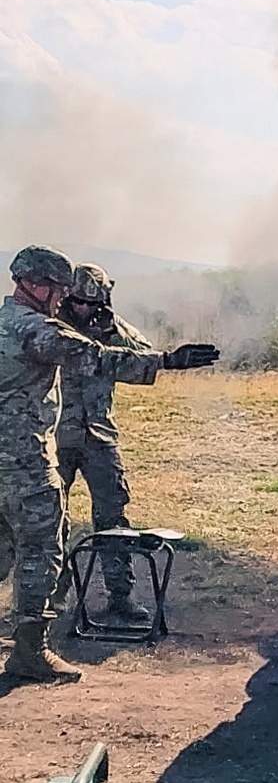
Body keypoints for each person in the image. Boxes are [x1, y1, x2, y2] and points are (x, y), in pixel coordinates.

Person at [0, 245, 218, 684]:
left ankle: (113, 597)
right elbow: (96, 358)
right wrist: (167, 361)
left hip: (64, 445)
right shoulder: (35, 329)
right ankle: (30, 650)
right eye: (61, 291)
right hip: (26, 459)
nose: (64, 300)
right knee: (40, 549)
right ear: (38, 285)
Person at [57, 262, 213, 624]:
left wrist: (112, 331)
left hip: (99, 436)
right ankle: (51, 597)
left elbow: (142, 356)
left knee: (113, 517)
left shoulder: (109, 326)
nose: (85, 310)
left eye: (93, 304)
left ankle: (120, 595)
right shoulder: (52, 328)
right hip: (55, 436)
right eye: (80, 302)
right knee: (50, 519)